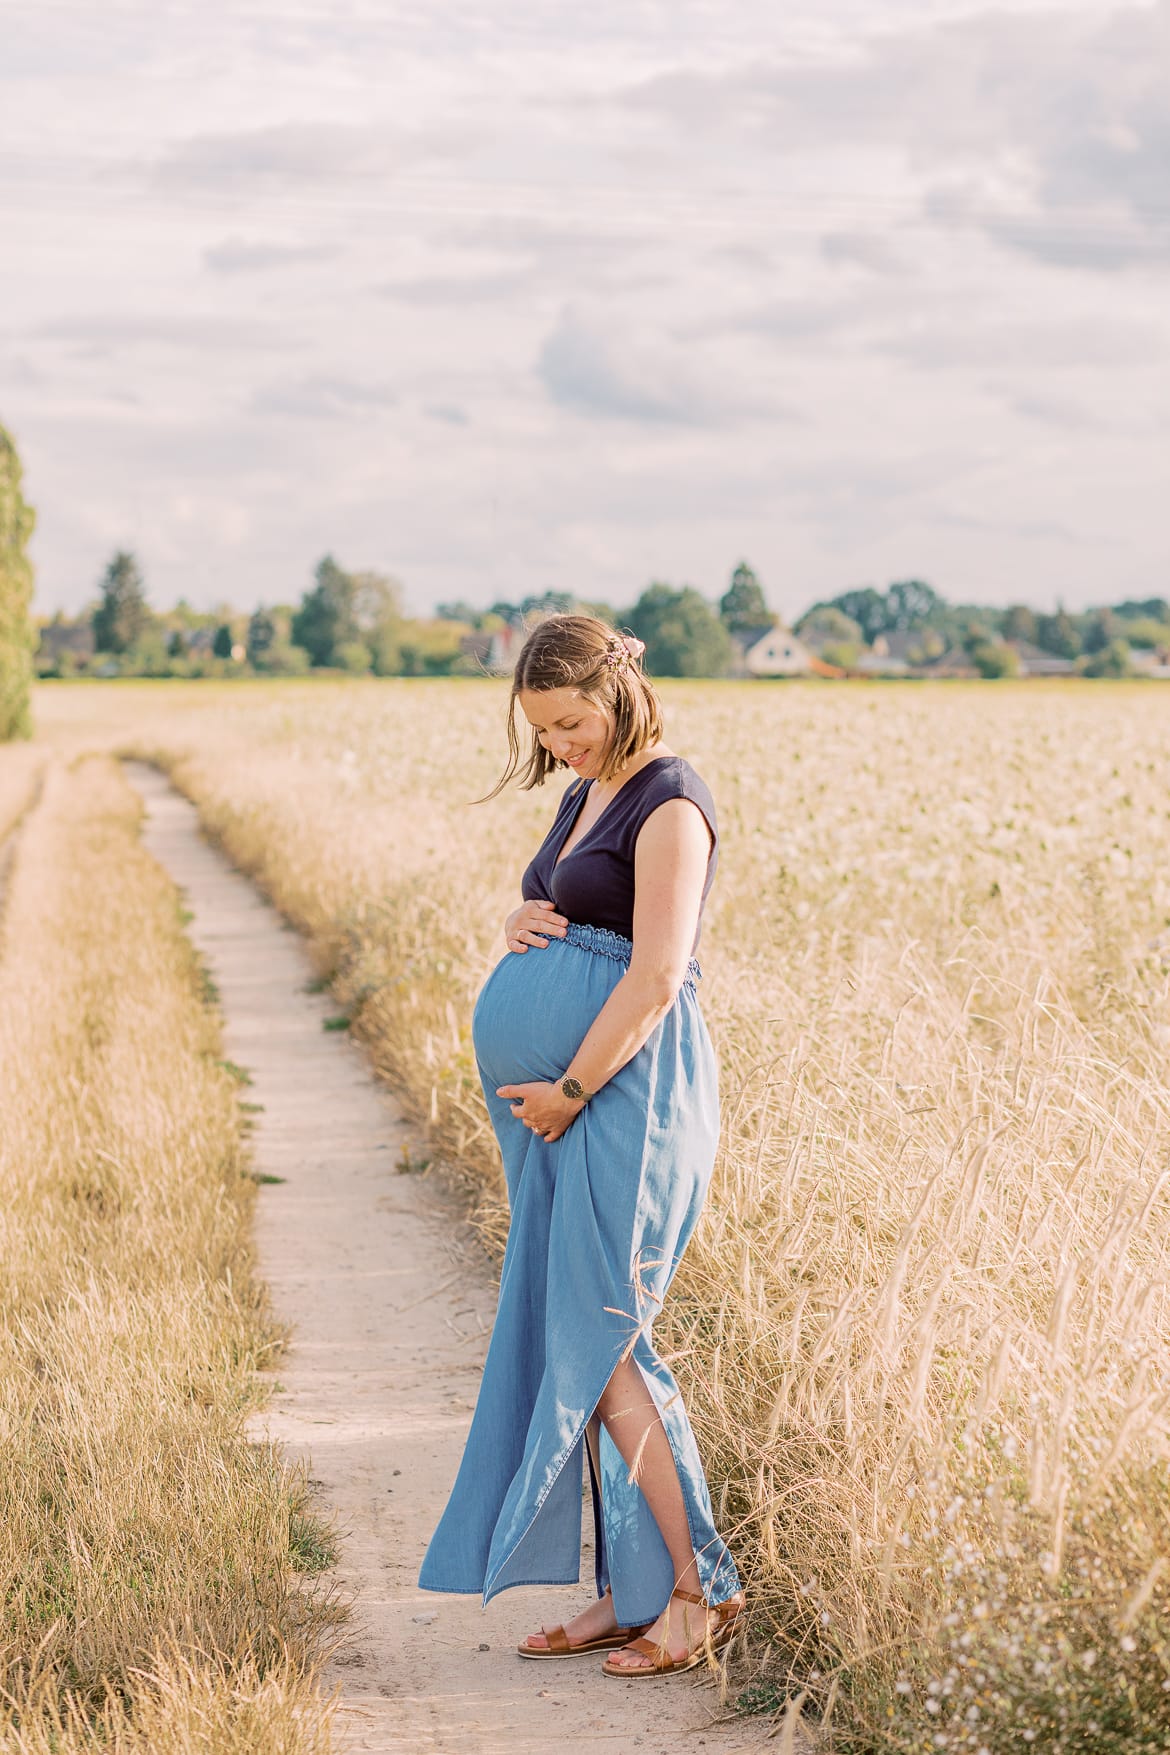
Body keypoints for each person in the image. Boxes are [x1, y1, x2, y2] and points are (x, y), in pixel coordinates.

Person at [418, 613, 743, 1676]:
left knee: (600, 1337)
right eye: (544, 731)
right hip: (571, 1106)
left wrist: (566, 1087)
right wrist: (519, 917)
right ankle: (631, 1592)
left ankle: (698, 1593)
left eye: (570, 722)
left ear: (617, 689)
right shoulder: (582, 794)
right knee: (582, 1338)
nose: (561, 744)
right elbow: (557, 899)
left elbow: (656, 975)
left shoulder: (671, 800)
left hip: (627, 1095)